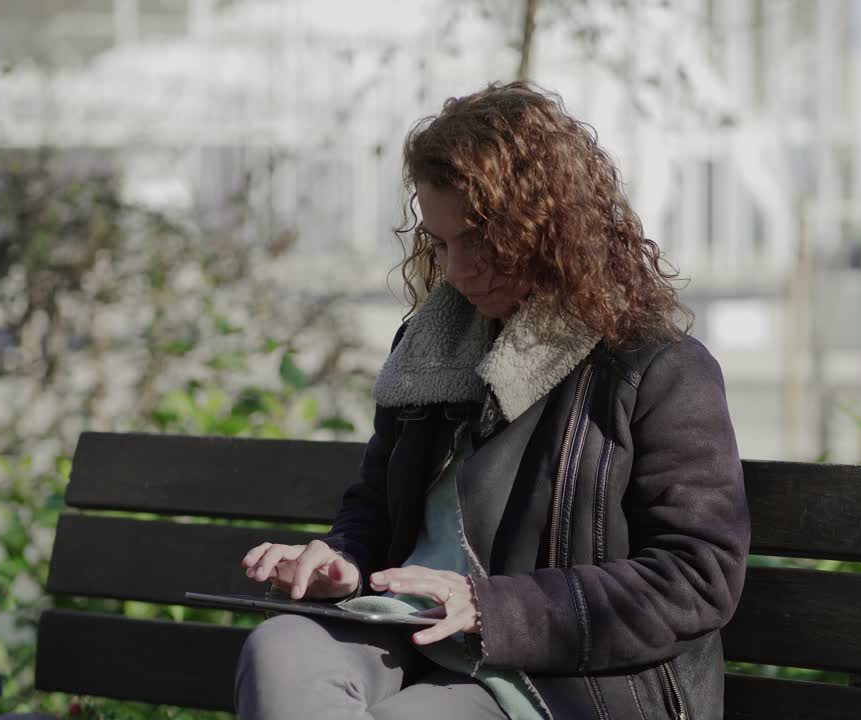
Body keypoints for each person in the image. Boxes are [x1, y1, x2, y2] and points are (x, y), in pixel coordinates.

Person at [234, 81, 749, 720]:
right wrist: (343, 561)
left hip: (558, 678)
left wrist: (486, 606)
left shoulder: (658, 369)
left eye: (478, 241)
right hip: (407, 634)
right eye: (442, 242)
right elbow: (374, 505)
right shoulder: (428, 348)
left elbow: (697, 577)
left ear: (547, 229)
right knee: (282, 648)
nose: (453, 270)